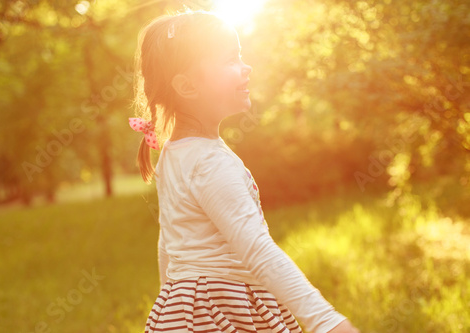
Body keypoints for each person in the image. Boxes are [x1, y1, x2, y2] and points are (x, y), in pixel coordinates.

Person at [129, 9, 360, 333]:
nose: (246, 67)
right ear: (187, 86)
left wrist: (170, 298)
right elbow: (256, 249)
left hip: (185, 310)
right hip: (222, 307)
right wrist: (325, 321)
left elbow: (169, 241)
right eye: (231, 59)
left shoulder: (174, 153)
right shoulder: (210, 163)